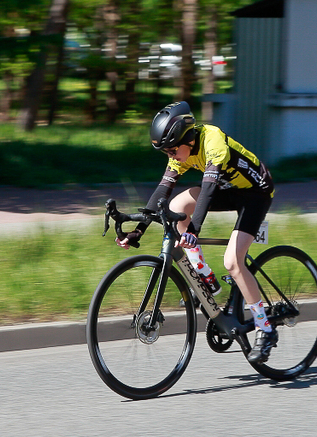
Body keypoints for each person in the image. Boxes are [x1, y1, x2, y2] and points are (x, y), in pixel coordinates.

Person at [117, 101, 278, 363]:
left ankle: (265, 327)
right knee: (176, 205)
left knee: (233, 262)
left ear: (187, 139)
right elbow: (163, 189)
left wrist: (193, 229)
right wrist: (139, 229)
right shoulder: (182, 152)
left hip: (255, 194)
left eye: (171, 149)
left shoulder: (212, 140)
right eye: (165, 151)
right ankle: (206, 277)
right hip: (228, 190)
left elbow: (209, 189)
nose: (169, 155)